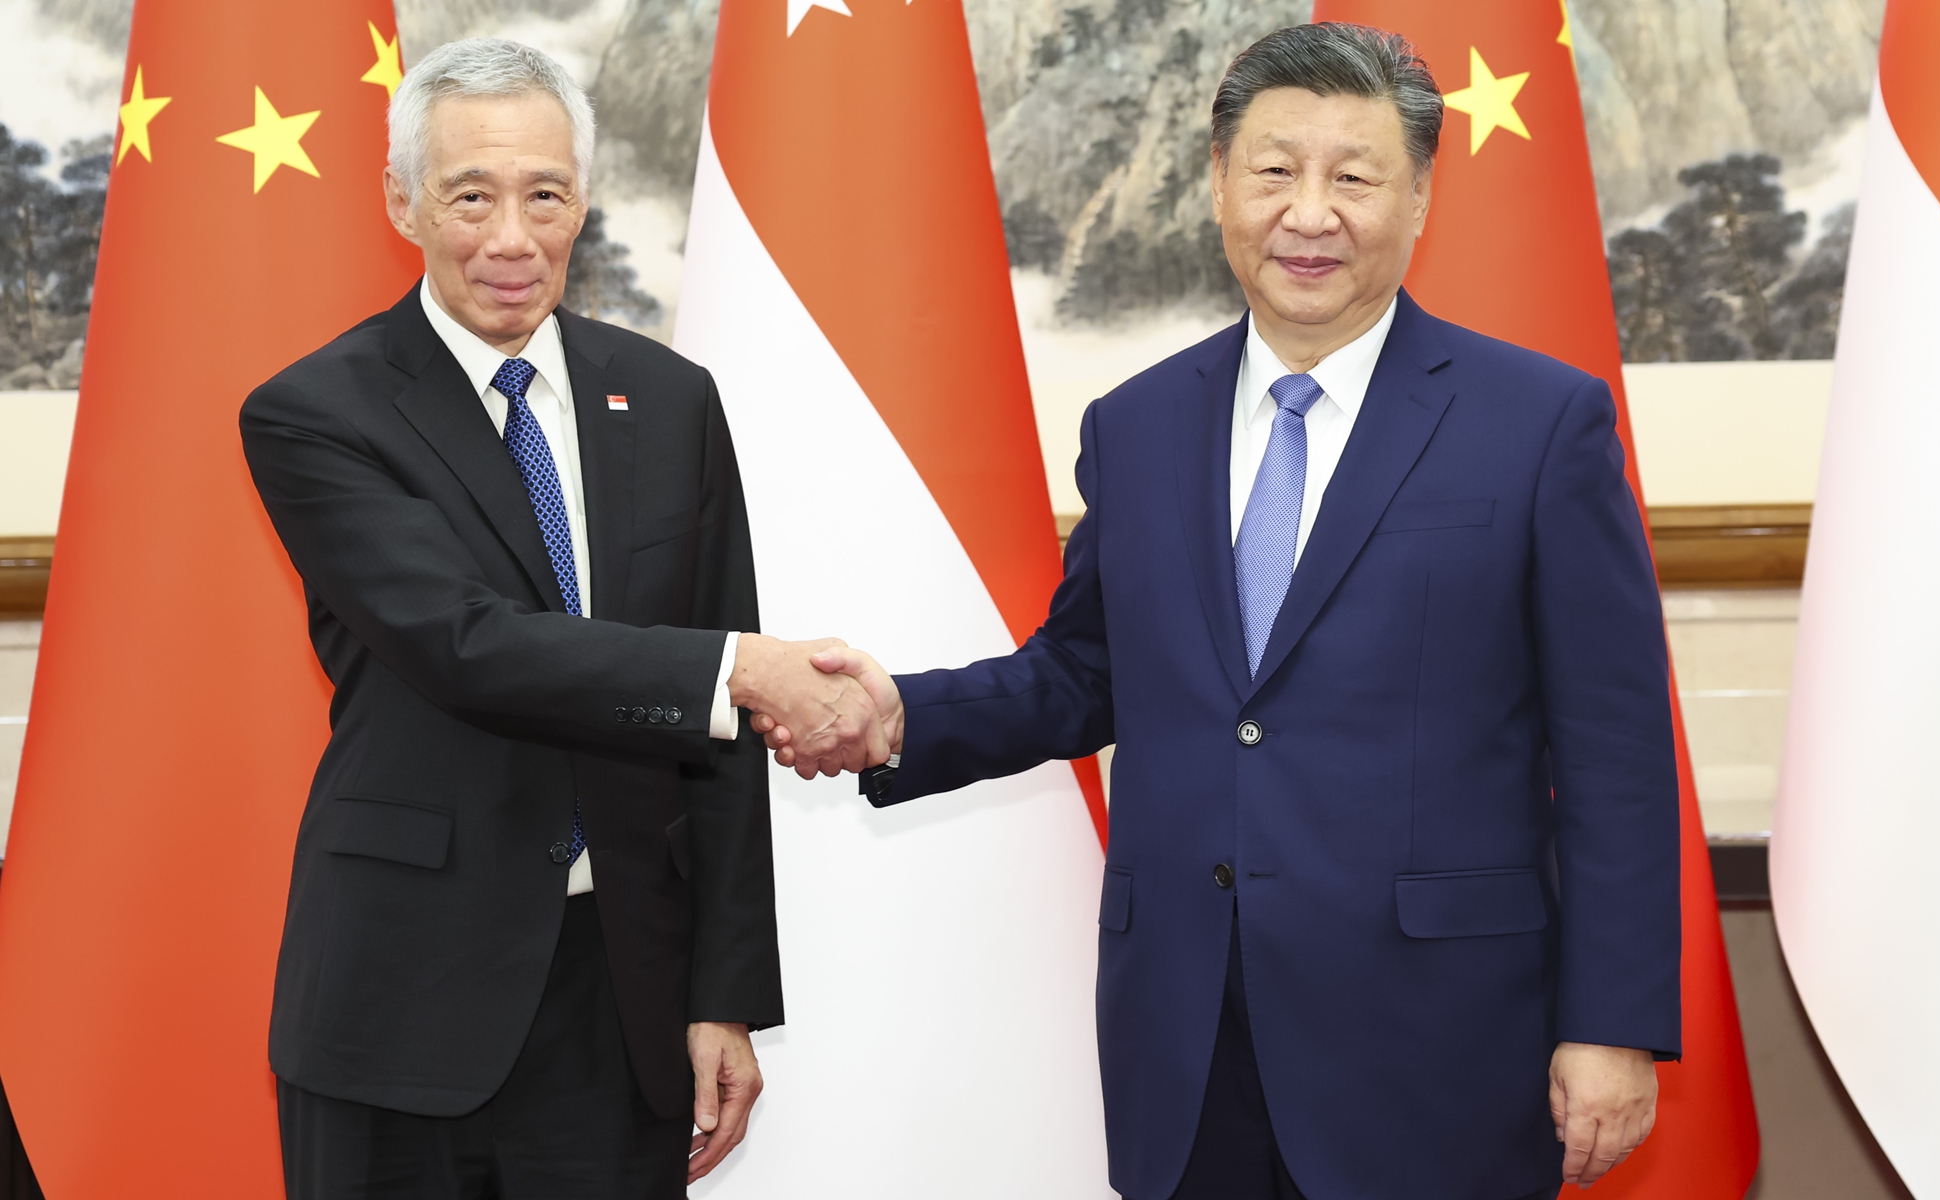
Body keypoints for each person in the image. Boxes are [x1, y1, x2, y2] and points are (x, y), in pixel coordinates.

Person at [765, 23, 1679, 1200]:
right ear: (1216, 184)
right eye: (1273, 171)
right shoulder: (1138, 425)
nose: (1309, 213)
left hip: (1432, 1043)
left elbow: (1614, 754)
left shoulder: (1539, 423)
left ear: (1418, 197)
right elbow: (1083, 671)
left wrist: (1608, 1024)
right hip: (1187, 1037)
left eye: (1352, 177)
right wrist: (897, 715)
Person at [239, 38, 887, 1199]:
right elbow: (464, 643)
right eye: (469, 195)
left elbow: (716, 738)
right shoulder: (313, 413)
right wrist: (740, 672)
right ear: (401, 201)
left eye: (545, 194)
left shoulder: (671, 400)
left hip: (620, 1004)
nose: (511, 238)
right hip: (403, 1002)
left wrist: (723, 991)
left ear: (583, 197)